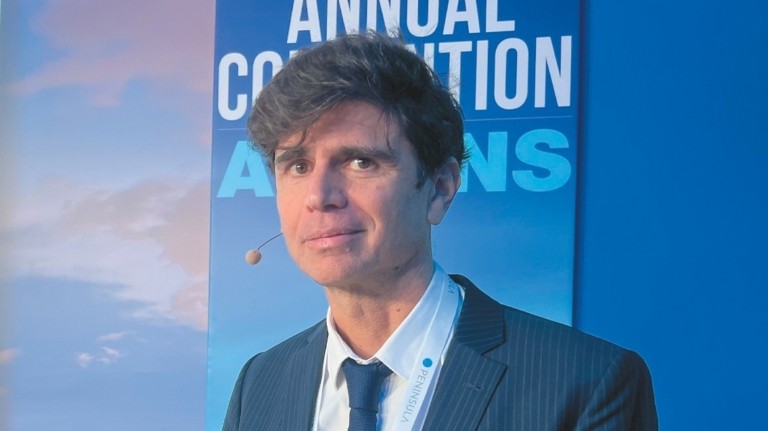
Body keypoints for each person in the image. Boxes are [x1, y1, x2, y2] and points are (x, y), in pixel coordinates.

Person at [223, 31, 657, 431]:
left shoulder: (584, 381)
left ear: (440, 188)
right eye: (298, 166)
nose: (320, 196)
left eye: (360, 162)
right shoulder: (259, 383)